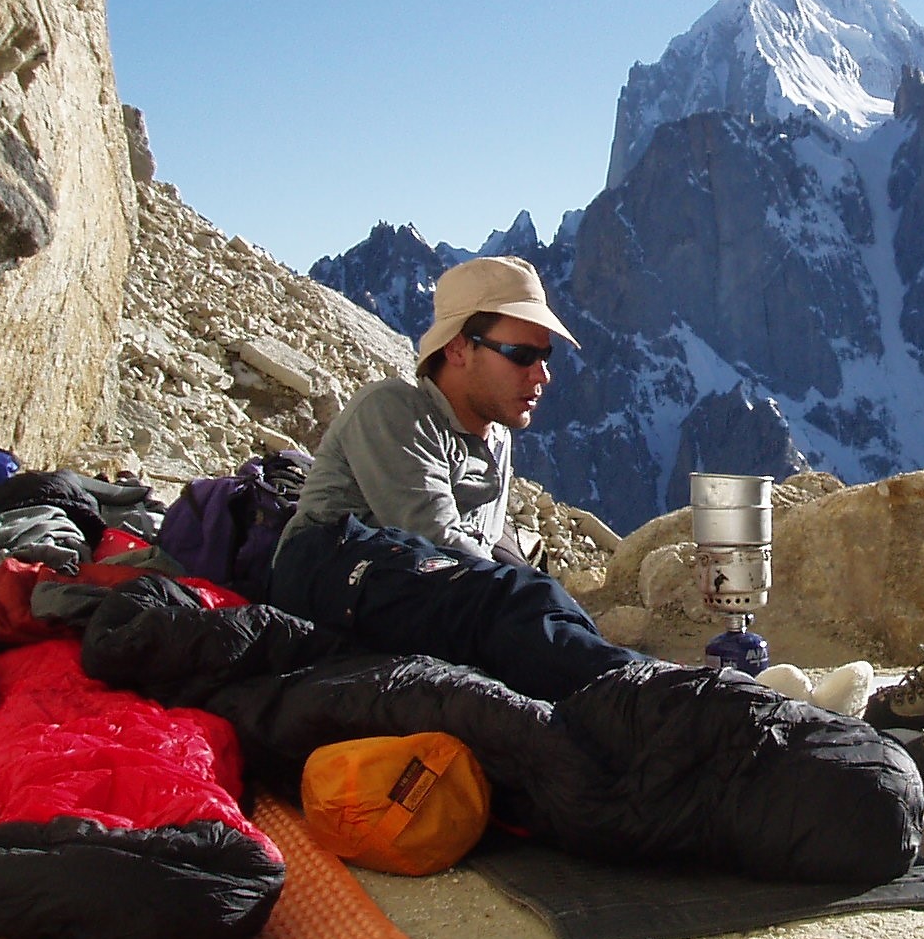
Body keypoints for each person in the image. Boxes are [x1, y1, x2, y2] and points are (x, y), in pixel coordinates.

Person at [268, 256, 644, 703]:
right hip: (332, 572)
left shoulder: (497, 436)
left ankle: (633, 688)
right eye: (521, 355)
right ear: (458, 348)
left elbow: (476, 564)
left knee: (515, 608)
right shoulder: (392, 408)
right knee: (511, 601)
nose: (542, 375)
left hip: (424, 594)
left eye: (545, 356)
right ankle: (640, 691)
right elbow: (436, 542)